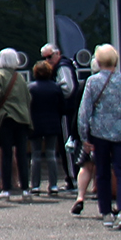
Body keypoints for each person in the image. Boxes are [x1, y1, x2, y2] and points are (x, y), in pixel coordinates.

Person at [77, 43, 121, 228]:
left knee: (102, 173)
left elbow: (85, 111)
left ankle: (106, 212)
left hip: (100, 133)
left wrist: (84, 137)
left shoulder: (93, 81)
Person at [0, 48, 32, 202]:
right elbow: (28, 97)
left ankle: (6, 188)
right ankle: (25, 189)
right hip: (23, 118)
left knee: (6, 153)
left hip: (6, 117)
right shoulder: (19, 77)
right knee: (21, 154)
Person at [42, 43, 81, 190]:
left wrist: (53, 91)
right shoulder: (64, 65)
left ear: (57, 54)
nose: (48, 60)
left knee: (68, 145)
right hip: (68, 111)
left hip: (67, 112)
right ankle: (73, 178)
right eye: (45, 58)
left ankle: (73, 179)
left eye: (50, 56)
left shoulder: (62, 67)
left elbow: (68, 88)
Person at [28, 60, 66, 197]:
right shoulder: (56, 88)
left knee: (36, 154)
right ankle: (53, 185)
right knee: (51, 154)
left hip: (35, 123)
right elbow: (62, 107)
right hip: (52, 122)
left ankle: (35, 185)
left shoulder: (31, 88)